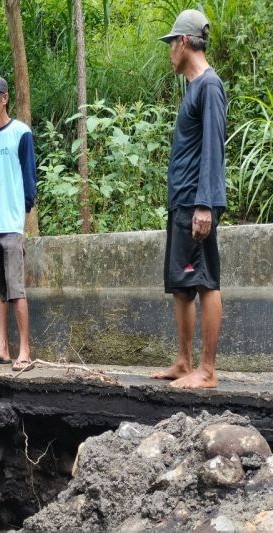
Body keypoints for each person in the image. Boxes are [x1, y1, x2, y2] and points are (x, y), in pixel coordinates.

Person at [151, 10, 226, 389]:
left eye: (171, 44)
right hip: (182, 201)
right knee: (181, 283)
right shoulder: (193, 88)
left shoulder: (209, 86)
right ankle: (183, 362)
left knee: (205, 280)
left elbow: (213, 148)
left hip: (196, 202)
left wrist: (205, 205)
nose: (169, 52)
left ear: (184, 42)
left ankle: (207, 371)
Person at [0, 76, 37, 372]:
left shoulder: (21, 134)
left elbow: (29, 183)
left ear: (5, 98)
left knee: (16, 289)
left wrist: (20, 219)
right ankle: (2, 347)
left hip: (12, 224)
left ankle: (25, 350)